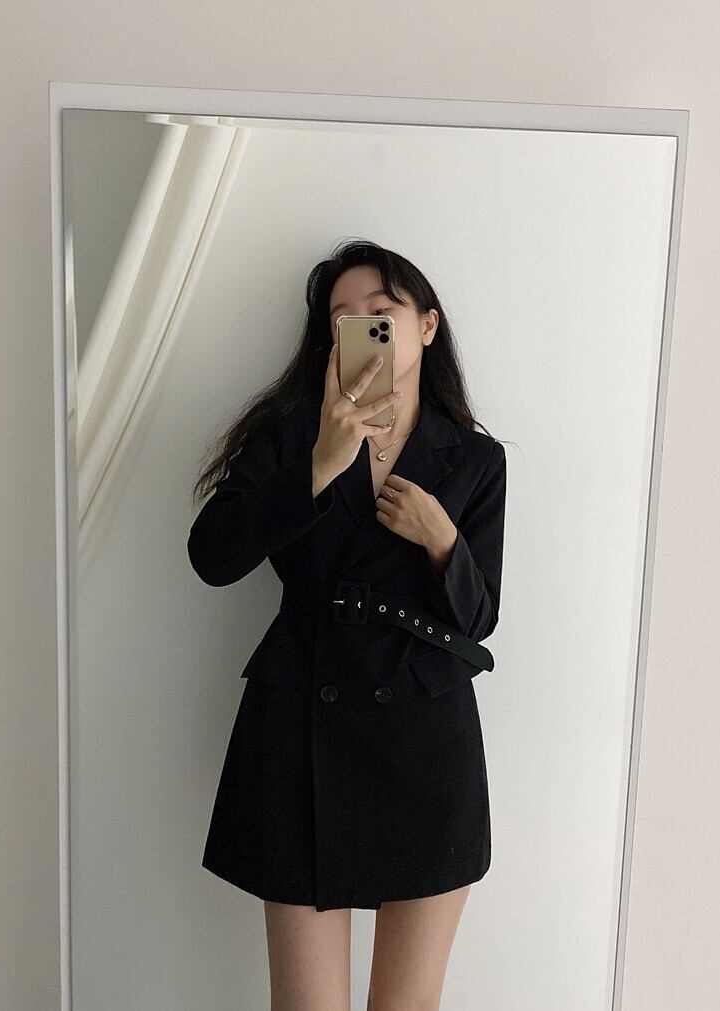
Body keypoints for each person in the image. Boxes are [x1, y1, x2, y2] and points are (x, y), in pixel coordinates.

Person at [188, 240, 507, 1011]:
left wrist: (442, 539)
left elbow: (480, 617)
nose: (363, 326)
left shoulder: (473, 458)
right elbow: (213, 555)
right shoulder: (292, 436)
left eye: (382, 312)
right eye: (343, 317)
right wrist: (320, 465)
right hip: (302, 732)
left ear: (426, 325)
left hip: (426, 744)